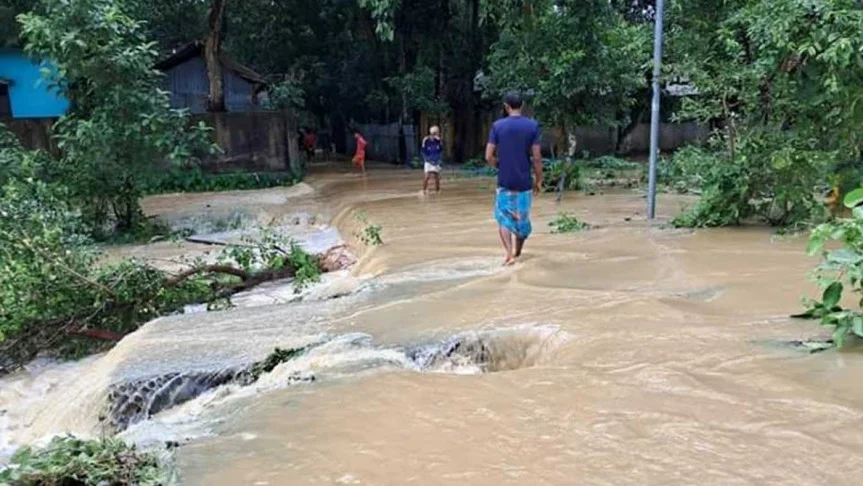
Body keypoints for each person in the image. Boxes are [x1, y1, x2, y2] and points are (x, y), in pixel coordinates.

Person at [485, 91, 542, 266]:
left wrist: (499, 166)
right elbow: (537, 157)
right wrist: (539, 179)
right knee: (521, 221)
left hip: (505, 180)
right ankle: (518, 252)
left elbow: (488, 156)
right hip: (524, 180)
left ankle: (509, 254)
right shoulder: (532, 126)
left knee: (504, 218)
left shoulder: (497, 126)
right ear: (522, 106)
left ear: (506, 106)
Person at [421, 125, 443, 193]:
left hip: (436, 160)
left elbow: (441, 150)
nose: (437, 134)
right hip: (428, 160)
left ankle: (438, 191)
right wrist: (427, 159)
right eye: (436, 132)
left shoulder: (438, 141)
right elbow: (423, 151)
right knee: (427, 176)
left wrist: (439, 141)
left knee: (437, 176)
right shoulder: (426, 140)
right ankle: (424, 190)